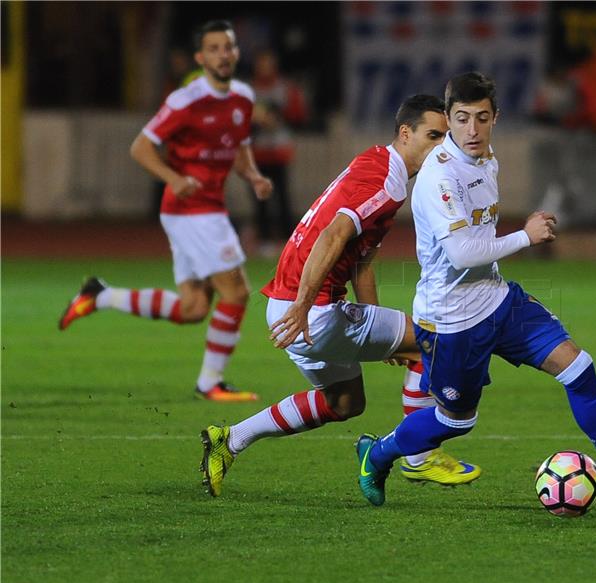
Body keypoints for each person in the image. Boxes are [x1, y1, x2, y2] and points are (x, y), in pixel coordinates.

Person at [356, 72, 596, 507]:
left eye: (482, 118)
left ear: (495, 118)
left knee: (579, 368)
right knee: (455, 422)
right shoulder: (439, 177)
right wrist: (526, 236)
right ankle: (377, 454)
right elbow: (460, 253)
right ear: (449, 119)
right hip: (452, 320)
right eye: (462, 119)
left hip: (499, 301)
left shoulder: (487, 158)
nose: (472, 130)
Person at [198, 94, 481, 497]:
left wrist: (377, 327)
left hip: (289, 309)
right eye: (433, 135)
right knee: (430, 341)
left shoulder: (377, 163)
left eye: (446, 138)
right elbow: (333, 234)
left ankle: (232, 439)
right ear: (405, 134)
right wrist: (304, 304)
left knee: (344, 403)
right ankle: (419, 459)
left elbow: (362, 261)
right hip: (310, 311)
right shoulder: (388, 180)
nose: (441, 147)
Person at [58, 20, 273, 403]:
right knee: (236, 292)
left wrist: (253, 175)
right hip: (192, 210)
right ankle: (211, 383)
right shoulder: (186, 100)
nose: (224, 54)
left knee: (192, 308)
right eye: (215, 48)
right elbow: (140, 147)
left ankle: (100, 295)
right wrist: (172, 177)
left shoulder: (242, 96)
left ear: (237, 52)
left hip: (203, 209)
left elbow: (239, 148)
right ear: (200, 57)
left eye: (229, 47)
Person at [249, 50, 309, 256]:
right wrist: (256, 121)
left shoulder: (284, 87)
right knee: (261, 198)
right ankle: (264, 239)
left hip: (279, 150)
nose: (265, 66)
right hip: (257, 152)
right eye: (262, 62)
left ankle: (288, 240)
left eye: (268, 62)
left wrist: (277, 117)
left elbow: (299, 115)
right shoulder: (250, 89)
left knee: (283, 196)